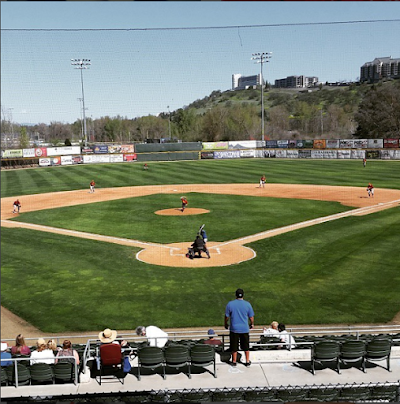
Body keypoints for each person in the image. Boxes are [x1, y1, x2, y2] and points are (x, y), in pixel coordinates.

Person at [224, 288, 254, 367]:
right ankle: (247, 361)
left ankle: (234, 361)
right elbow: (251, 317)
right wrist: (252, 324)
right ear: (243, 295)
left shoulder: (230, 304)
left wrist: (226, 324)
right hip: (244, 328)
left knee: (234, 346)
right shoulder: (247, 304)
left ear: (236, 295)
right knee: (246, 346)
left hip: (234, 329)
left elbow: (226, 316)